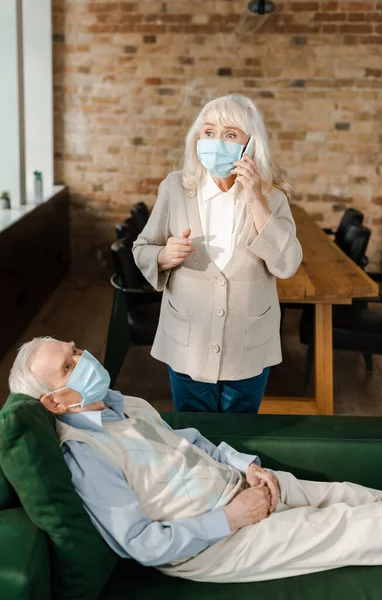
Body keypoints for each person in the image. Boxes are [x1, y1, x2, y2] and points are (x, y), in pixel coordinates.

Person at [8, 336, 382, 582]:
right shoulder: (84, 455)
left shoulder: (125, 403)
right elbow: (141, 543)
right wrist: (233, 517)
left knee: (350, 495)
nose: (83, 359)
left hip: (238, 484)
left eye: (75, 350)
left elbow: (188, 440)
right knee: (355, 524)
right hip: (215, 542)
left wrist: (247, 465)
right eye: (67, 367)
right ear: (55, 401)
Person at [133, 94, 302, 413]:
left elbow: (288, 263)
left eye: (230, 134)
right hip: (188, 345)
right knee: (194, 431)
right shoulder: (174, 188)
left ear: (250, 145)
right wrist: (163, 256)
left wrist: (255, 200)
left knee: (241, 431)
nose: (216, 141)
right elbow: (143, 248)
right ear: (196, 138)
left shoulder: (272, 197)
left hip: (248, 348)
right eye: (208, 132)